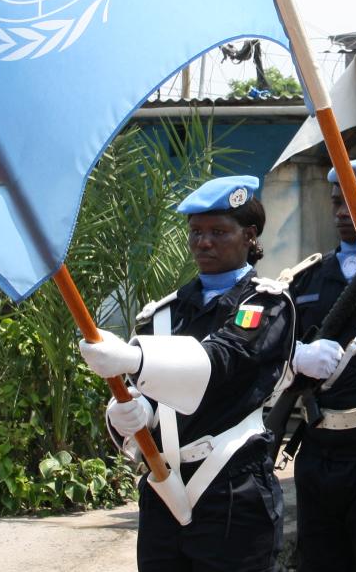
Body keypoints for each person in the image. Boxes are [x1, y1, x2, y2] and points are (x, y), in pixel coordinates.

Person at [79, 175, 296, 572]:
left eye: (218, 232)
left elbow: (223, 359)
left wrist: (135, 359)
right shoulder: (164, 313)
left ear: (249, 235)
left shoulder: (264, 304)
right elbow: (143, 391)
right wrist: (130, 413)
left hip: (232, 487)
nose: (203, 242)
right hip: (163, 484)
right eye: (196, 232)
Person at [284, 157, 356, 572]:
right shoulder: (307, 278)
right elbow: (277, 351)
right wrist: (298, 356)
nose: (342, 213)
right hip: (318, 448)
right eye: (336, 202)